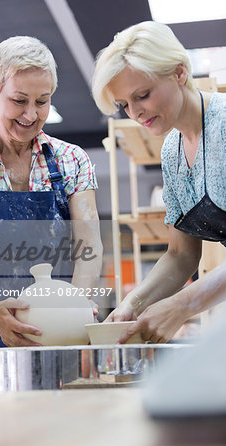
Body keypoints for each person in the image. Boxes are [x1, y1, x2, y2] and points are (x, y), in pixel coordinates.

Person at [0, 36, 103, 347]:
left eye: (42, 101)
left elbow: (89, 245)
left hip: (62, 331)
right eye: (19, 101)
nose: (31, 115)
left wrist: (74, 307)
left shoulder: (72, 160)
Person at [92, 21, 226, 343]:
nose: (135, 112)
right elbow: (181, 255)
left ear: (179, 73)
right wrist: (132, 304)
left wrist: (182, 304)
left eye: (143, 95)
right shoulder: (172, 152)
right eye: (125, 105)